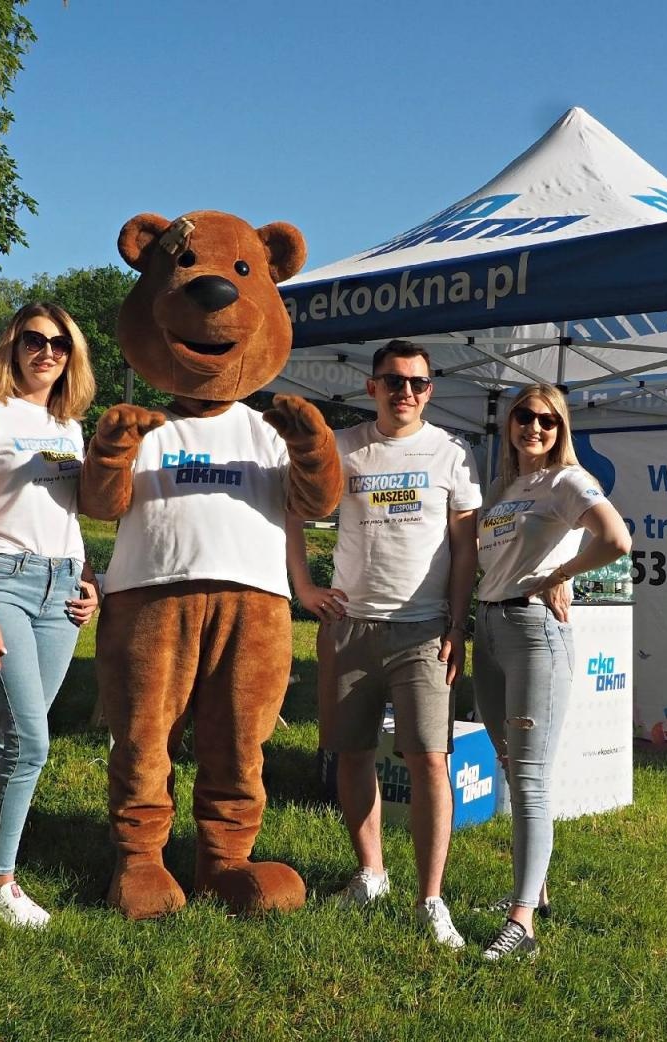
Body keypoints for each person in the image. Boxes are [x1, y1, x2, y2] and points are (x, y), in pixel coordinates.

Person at [287, 339, 481, 948]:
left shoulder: (453, 451)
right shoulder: (342, 447)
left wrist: (457, 623)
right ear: (371, 387)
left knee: (430, 759)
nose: (406, 392)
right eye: (394, 381)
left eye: (419, 383)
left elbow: (467, 548)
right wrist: (304, 586)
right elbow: (291, 510)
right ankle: (371, 872)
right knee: (351, 753)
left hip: (425, 630)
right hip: (349, 626)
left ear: (430, 390)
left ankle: (432, 898)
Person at [0, 303, 99, 928]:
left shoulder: (70, 426)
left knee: (19, 737)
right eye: (34, 341)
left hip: (61, 590)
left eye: (60, 345)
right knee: (30, 739)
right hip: (2, 583)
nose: (47, 353)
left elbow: (69, 517)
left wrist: (92, 583)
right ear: (12, 347)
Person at [472, 383, 630, 962]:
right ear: (509, 424)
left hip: (535, 631)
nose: (533, 428)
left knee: (531, 780)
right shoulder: (501, 488)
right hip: (487, 630)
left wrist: (560, 571)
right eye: (523, 417)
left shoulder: (568, 480)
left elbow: (615, 538)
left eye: (546, 420)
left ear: (561, 428)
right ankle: (533, 894)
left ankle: (522, 927)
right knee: (512, 768)